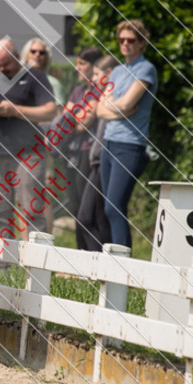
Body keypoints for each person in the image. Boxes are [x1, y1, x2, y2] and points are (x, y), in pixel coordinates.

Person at [0, 39, 59, 236]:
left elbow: (50, 111)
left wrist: (14, 110)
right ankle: (4, 261)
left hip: (28, 153)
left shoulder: (35, 77)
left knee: (32, 207)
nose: (2, 69)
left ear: (17, 57)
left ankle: (37, 263)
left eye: (6, 64)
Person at [96, 20, 158, 251]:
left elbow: (127, 103)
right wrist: (117, 109)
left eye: (130, 40)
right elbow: (100, 108)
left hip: (130, 146)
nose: (125, 44)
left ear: (142, 43)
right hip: (109, 144)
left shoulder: (146, 69)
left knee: (114, 206)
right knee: (108, 207)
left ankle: (123, 264)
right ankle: (114, 258)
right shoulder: (118, 71)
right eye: (121, 40)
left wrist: (114, 106)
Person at [76, 56, 118, 252]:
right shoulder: (104, 95)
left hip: (104, 159)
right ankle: (96, 264)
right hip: (97, 159)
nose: (92, 79)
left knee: (88, 215)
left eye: (97, 75)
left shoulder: (113, 94)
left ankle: (97, 264)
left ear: (109, 74)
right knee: (96, 216)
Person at [61, 47, 104, 218]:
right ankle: (80, 245)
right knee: (75, 205)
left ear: (94, 67)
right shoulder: (78, 91)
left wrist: (71, 122)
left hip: (88, 150)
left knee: (87, 207)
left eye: (82, 64)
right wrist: (72, 121)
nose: (77, 68)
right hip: (71, 150)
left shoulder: (98, 90)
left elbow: (87, 118)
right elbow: (65, 119)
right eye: (76, 63)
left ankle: (92, 244)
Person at [22, 37, 66, 105]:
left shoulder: (53, 83)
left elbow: (58, 111)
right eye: (33, 51)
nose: (37, 55)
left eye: (42, 52)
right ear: (26, 55)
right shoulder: (18, 80)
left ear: (46, 58)